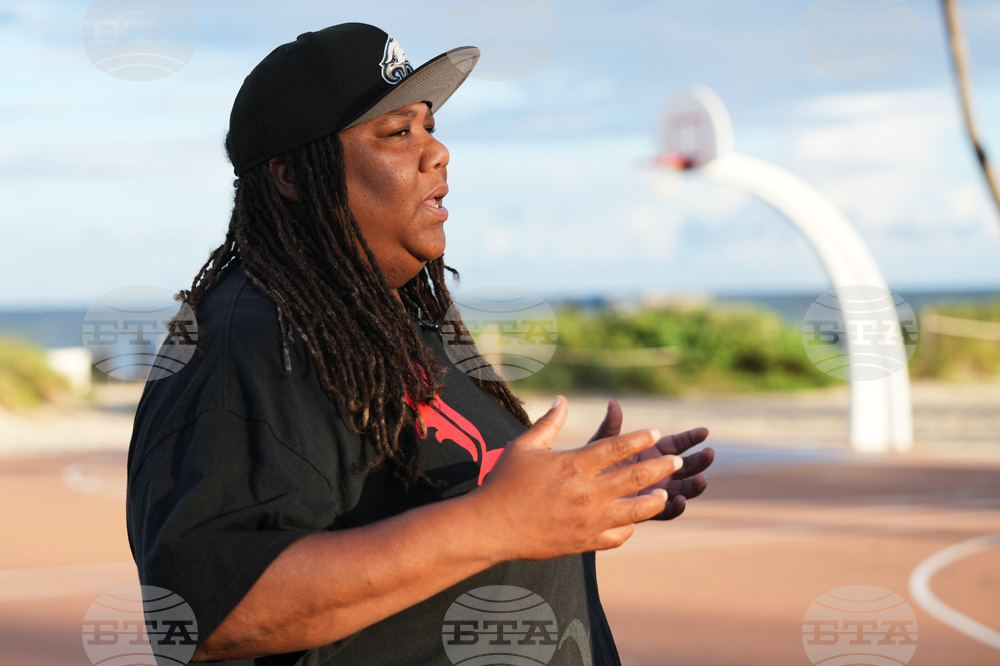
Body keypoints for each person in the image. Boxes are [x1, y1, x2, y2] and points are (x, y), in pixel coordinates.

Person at [126, 22, 714, 665]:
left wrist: (573, 490)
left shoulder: (384, 318)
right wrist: (496, 524)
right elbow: (205, 612)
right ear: (292, 175)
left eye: (429, 126)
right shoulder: (247, 343)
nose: (437, 152)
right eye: (396, 132)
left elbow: (456, 506)